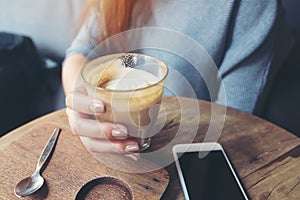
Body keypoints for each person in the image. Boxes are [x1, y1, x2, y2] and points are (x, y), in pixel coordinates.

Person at [62, 0, 293, 159]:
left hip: (181, 156)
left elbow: (232, 119)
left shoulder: (250, 7)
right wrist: (81, 104)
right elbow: (80, 53)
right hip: (94, 147)